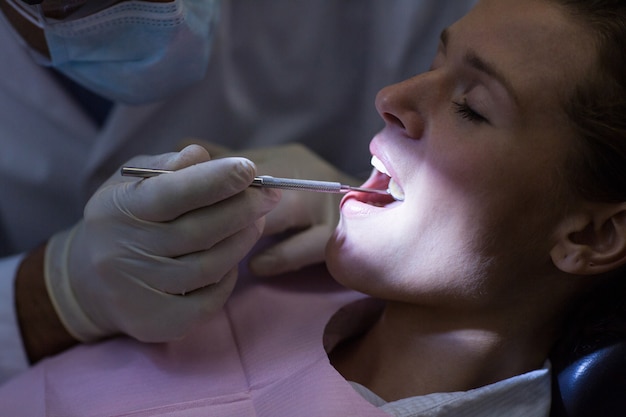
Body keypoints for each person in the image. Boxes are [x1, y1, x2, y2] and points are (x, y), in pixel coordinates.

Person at [1, 0, 625, 414]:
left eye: (471, 106)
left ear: (594, 235)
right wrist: (58, 291)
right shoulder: (257, 280)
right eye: (431, 63)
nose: (390, 97)